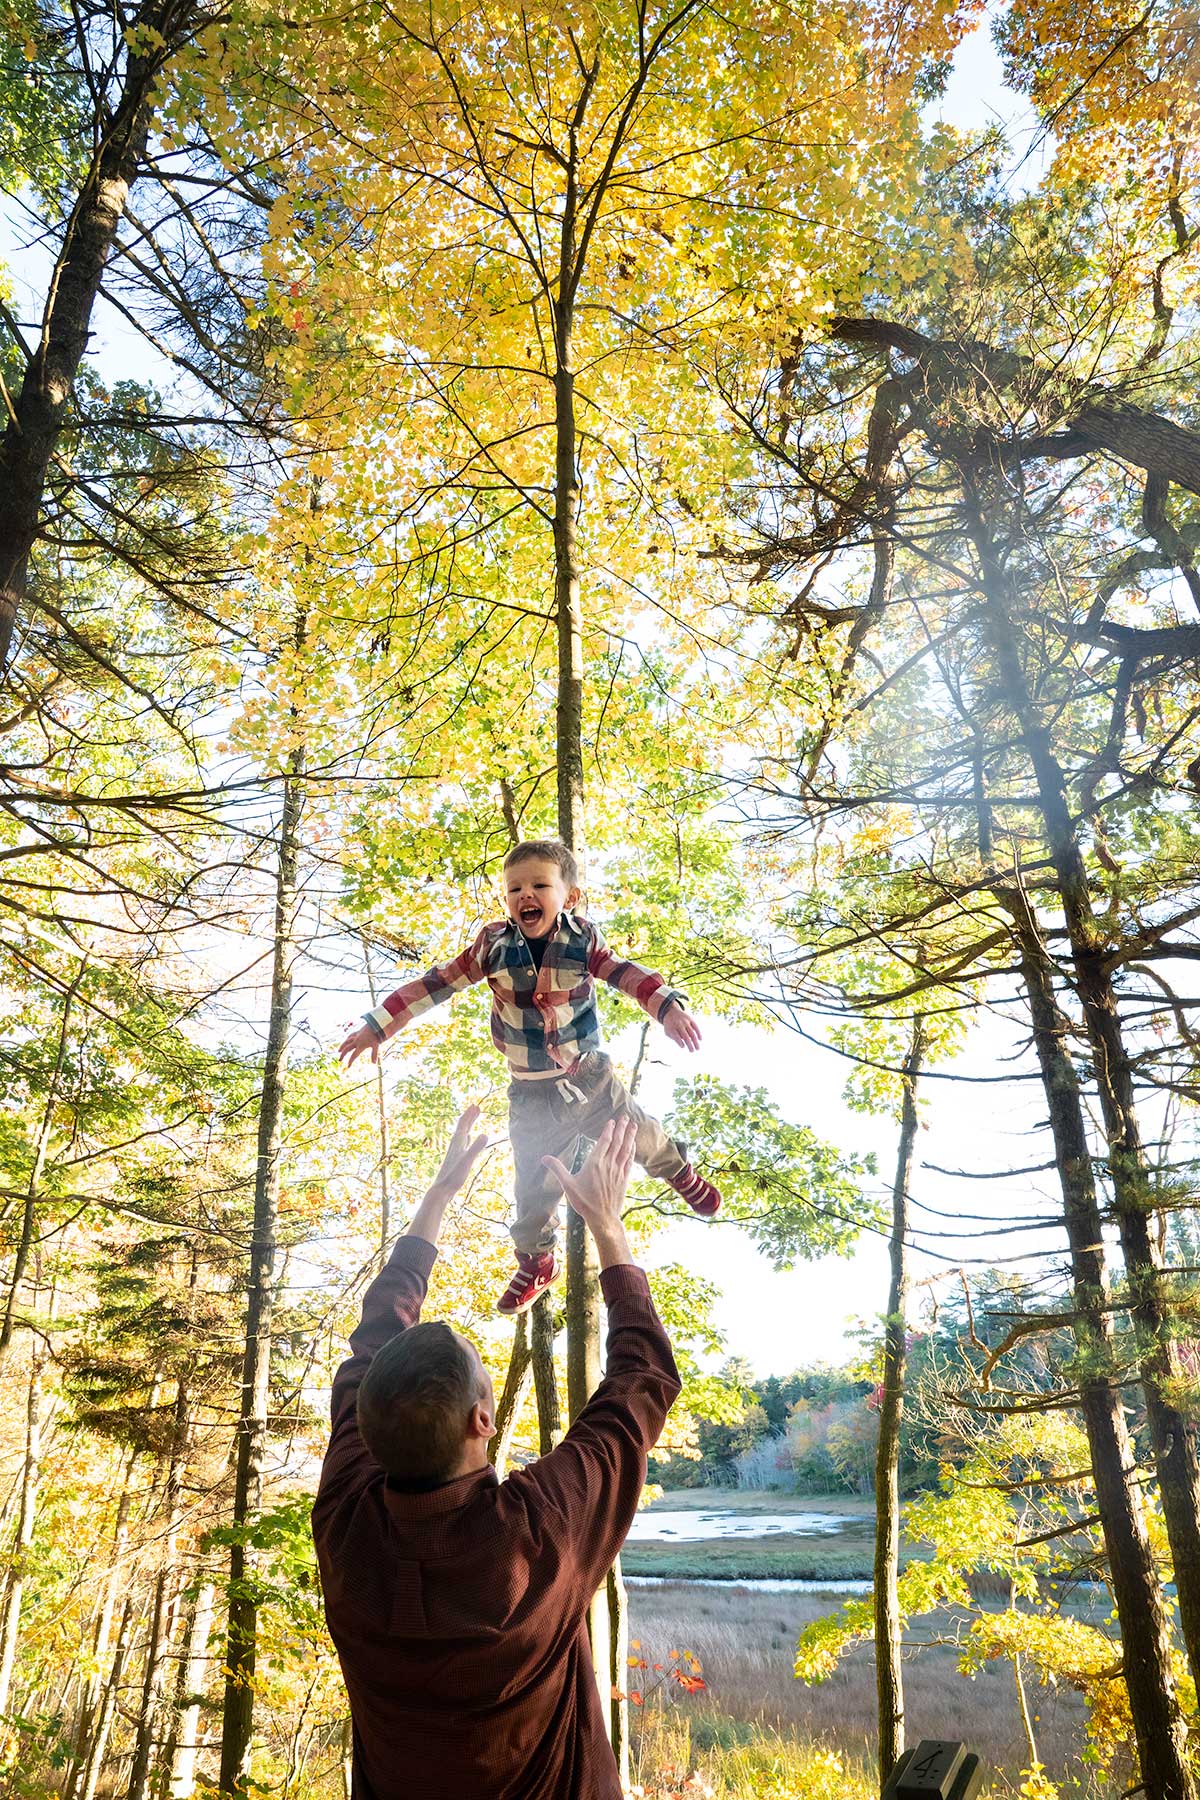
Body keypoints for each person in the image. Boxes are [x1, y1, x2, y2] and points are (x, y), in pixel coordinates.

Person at [312, 1107, 682, 1800]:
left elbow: (370, 1347)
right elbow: (644, 1382)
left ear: (366, 1424)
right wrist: (606, 1221)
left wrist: (435, 1200)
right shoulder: (534, 1532)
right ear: (484, 1417)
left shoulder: (347, 1525)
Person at [339, 838, 721, 1314]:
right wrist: (380, 1025)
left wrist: (667, 1009)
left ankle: (678, 1172)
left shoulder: (583, 941)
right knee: (533, 1183)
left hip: (589, 1079)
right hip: (530, 1094)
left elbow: (628, 974)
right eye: (514, 887)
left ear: (569, 897)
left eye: (540, 885)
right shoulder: (493, 947)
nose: (526, 895)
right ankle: (537, 1259)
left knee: (637, 1133)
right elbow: (437, 983)